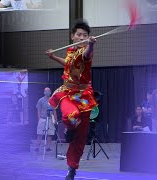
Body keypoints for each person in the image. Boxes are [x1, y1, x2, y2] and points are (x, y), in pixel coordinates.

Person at [45, 19, 98, 180]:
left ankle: (72, 169)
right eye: (79, 35)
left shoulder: (85, 52)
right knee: (70, 115)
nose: (82, 37)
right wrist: (54, 57)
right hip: (68, 93)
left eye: (85, 35)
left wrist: (91, 45)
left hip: (84, 98)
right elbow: (68, 64)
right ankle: (69, 129)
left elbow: (87, 54)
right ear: (73, 36)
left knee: (80, 139)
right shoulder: (71, 51)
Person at [35, 87, 57, 152]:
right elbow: (38, 110)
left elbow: (54, 111)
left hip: (50, 119)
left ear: (50, 92)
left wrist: (55, 120)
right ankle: (37, 147)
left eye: (48, 91)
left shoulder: (52, 100)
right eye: (46, 91)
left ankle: (48, 147)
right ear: (44, 92)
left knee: (50, 134)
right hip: (42, 118)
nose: (47, 92)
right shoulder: (40, 100)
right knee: (40, 133)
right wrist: (39, 119)